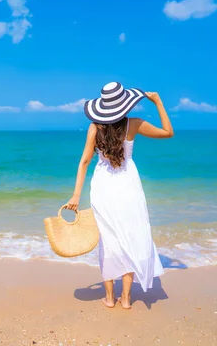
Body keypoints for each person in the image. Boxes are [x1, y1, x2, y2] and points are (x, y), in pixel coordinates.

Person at [66, 82, 174, 309]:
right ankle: (125, 298)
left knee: (109, 241)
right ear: (124, 104)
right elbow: (168, 133)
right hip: (128, 186)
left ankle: (109, 297)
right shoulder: (133, 124)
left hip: (103, 187)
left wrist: (76, 195)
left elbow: (84, 161)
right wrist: (158, 102)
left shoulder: (95, 127)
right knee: (130, 238)